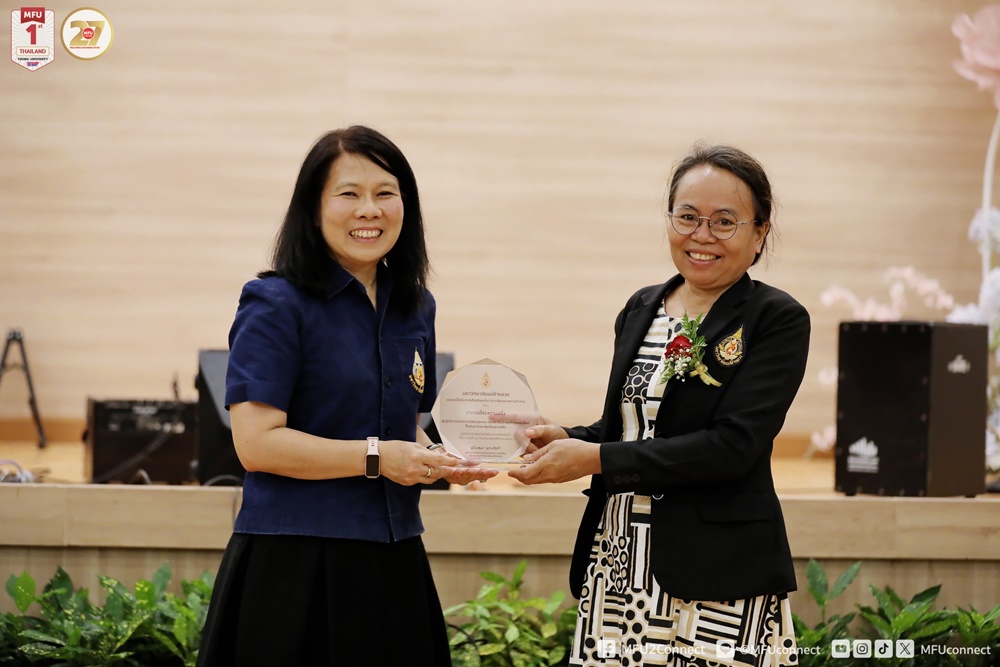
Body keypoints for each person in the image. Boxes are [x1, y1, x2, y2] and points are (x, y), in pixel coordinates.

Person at [197, 125, 497, 667]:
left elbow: (405, 427)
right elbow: (256, 445)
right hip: (295, 562)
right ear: (313, 209)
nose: (369, 210)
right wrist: (379, 457)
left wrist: (448, 456)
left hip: (394, 555)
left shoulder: (415, 306)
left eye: (385, 193)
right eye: (349, 194)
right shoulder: (275, 303)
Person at [509, 144, 810, 667]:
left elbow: (732, 447)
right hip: (621, 558)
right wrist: (568, 438)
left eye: (724, 222)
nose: (702, 235)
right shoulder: (641, 307)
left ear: (760, 232)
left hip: (716, 572)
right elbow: (631, 426)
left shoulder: (775, 319)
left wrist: (594, 458)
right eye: (687, 217)